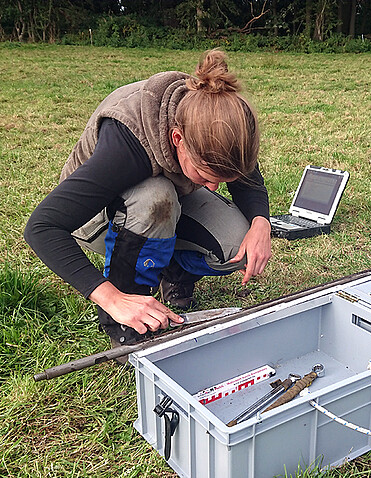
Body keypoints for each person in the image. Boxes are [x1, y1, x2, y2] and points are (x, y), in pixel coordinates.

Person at [24, 49, 272, 348]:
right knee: (156, 198)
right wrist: (113, 299)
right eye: (205, 176)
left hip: (165, 200)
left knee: (239, 244)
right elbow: (42, 227)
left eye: (221, 179)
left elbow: (247, 180)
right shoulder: (126, 143)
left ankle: (174, 273)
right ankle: (125, 324)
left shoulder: (220, 121)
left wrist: (261, 223)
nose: (213, 188)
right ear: (177, 139)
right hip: (97, 215)